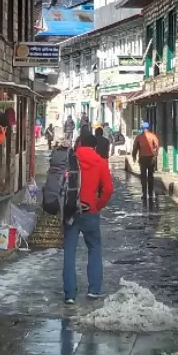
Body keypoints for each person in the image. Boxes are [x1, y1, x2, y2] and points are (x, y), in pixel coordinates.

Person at [63, 129, 113, 304]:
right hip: (90, 211)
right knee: (94, 249)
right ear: (95, 146)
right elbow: (108, 190)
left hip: (70, 211)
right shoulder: (100, 162)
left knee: (69, 252)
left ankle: (69, 294)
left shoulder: (70, 159)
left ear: (80, 144)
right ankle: (94, 290)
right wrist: (97, 206)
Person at [132, 120, 160, 206]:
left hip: (143, 158)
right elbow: (157, 146)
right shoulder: (153, 136)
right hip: (151, 158)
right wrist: (155, 155)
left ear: (142, 128)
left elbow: (135, 147)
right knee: (151, 175)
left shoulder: (139, 137)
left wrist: (134, 156)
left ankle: (144, 194)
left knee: (143, 176)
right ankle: (150, 193)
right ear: (148, 128)